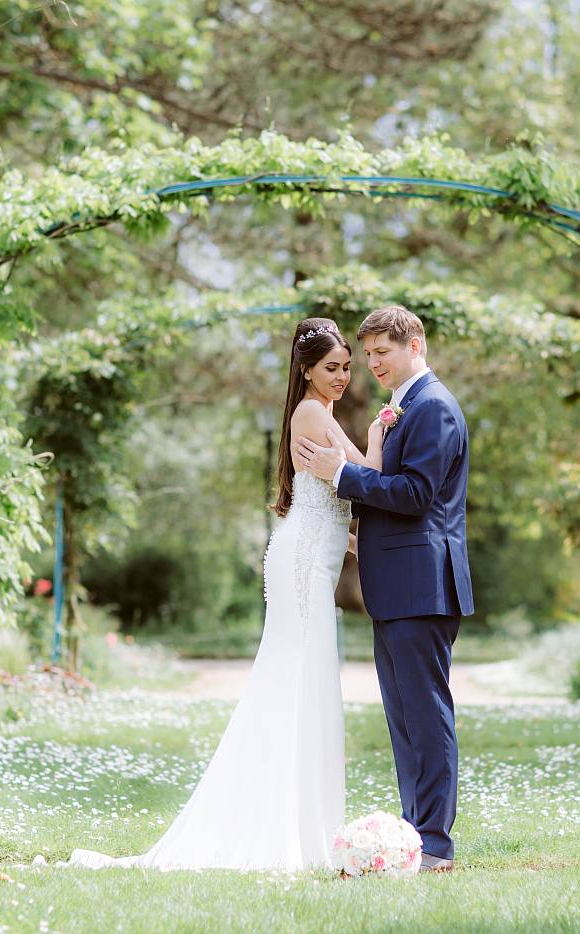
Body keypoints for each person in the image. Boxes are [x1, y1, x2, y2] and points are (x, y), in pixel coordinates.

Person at [66, 318, 384, 871]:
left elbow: (331, 499)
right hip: (302, 565)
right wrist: (379, 433)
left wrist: (354, 541)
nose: (342, 377)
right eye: (332, 368)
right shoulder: (312, 413)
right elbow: (368, 476)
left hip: (311, 556)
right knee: (298, 677)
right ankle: (286, 823)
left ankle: (299, 819)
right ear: (306, 370)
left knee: (302, 677)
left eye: (346, 368)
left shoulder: (321, 414)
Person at [293, 304, 472, 873]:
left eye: (381, 352)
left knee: (426, 717)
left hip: (423, 586)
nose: (372, 364)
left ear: (414, 344)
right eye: (367, 354)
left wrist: (340, 474)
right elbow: (395, 497)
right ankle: (414, 836)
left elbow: (416, 495)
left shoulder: (434, 407)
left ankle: (435, 842)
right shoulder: (404, 407)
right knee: (404, 722)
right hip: (396, 587)